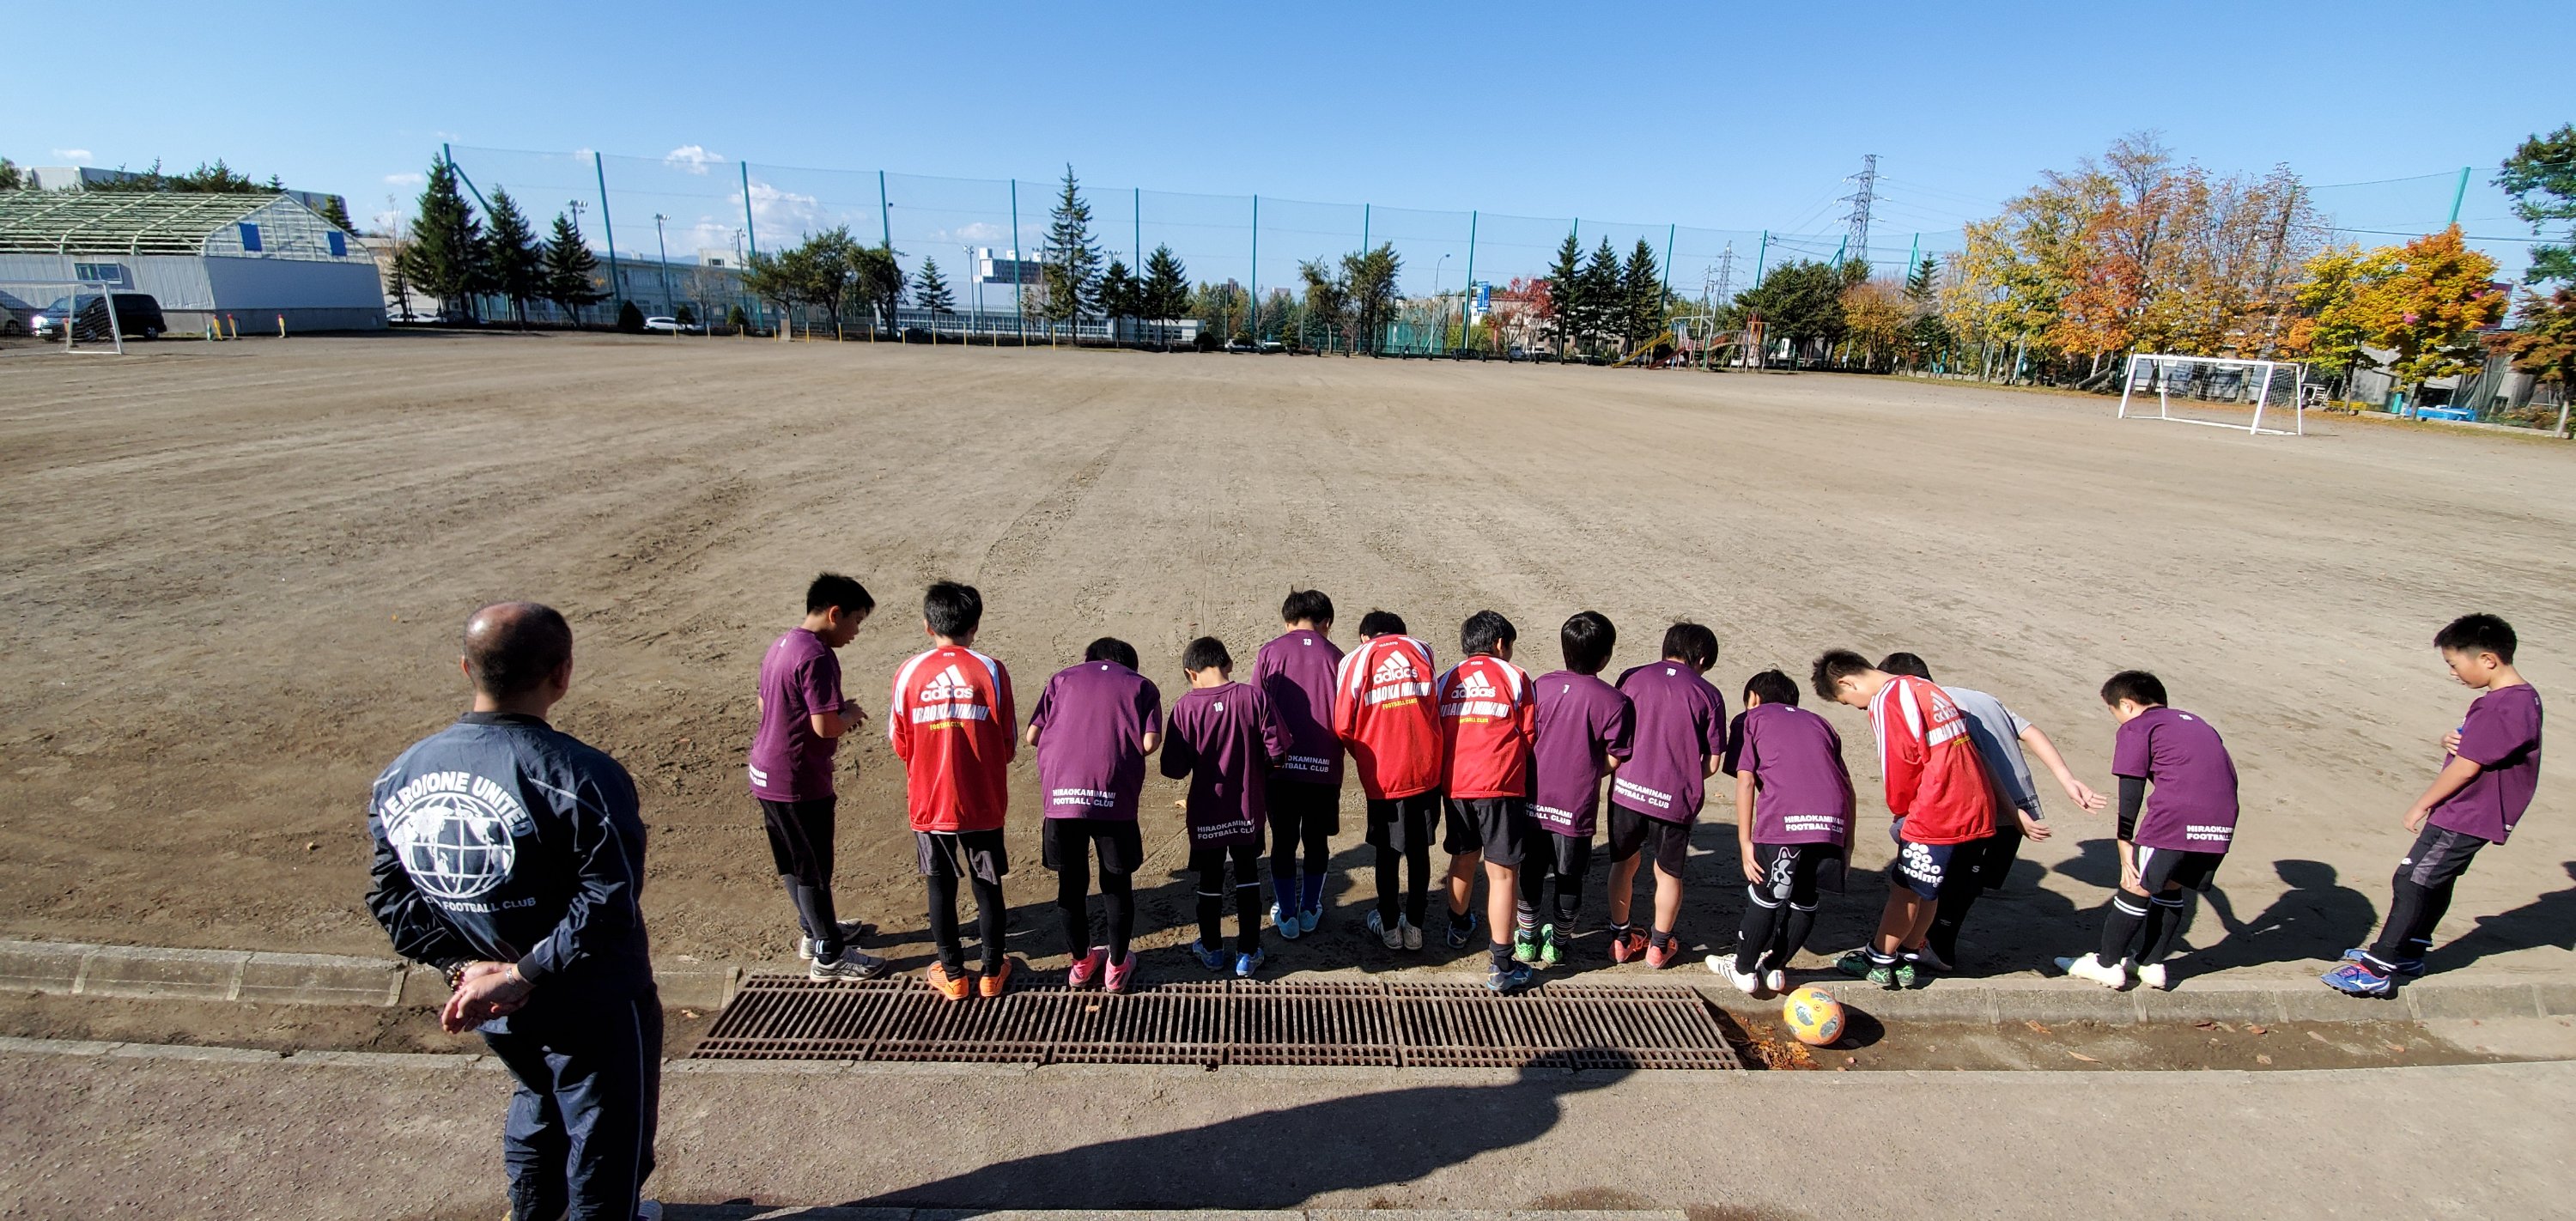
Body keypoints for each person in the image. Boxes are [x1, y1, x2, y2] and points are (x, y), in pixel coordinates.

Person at [366, 602, 660, 1221]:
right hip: (593, 1001)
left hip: (491, 1005)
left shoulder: (400, 775)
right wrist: (522, 975)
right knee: (607, 1143)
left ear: (466, 668)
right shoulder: (579, 776)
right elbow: (607, 903)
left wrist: (462, 970)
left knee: (538, 1103)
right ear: (562, 673)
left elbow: (390, 899)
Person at [2326, 614, 2543, 998]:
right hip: (2471, 811)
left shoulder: (2502, 706)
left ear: (2488, 659)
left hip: (2467, 811)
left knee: (2412, 879)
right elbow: (2481, 745)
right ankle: (2409, 951)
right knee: (2435, 878)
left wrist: (2421, 805)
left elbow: (2467, 767)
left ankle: (2378, 966)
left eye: (2454, 664)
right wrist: (2454, 739)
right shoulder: (2520, 699)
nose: (2453, 673)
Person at [1877, 652, 2105, 972]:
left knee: (1944, 881)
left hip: (1983, 809)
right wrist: (2068, 780)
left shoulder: (1932, 707)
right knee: (1966, 882)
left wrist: (2013, 813)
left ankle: (1929, 949)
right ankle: (1931, 945)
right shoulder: (1980, 697)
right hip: (2018, 805)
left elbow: (1978, 762)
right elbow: (2030, 731)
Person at [1813, 649, 1996, 990]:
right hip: (1969, 805)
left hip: (1934, 808)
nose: (1858, 708)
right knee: (1929, 889)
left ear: (1847, 683)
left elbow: (1900, 762)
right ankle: (1909, 956)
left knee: (1905, 889)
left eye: (1848, 702)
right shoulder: (1925, 688)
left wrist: (1902, 811)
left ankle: (1879, 959)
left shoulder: (1888, 700)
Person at [2056, 671, 2240, 991]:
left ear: (2126, 705)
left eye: (2113, 711)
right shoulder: (2198, 723)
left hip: (2176, 817)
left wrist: (2124, 840)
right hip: (2223, 819)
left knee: (2135, 884)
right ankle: (2149, 963)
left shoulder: (2138, 726)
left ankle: (2107, 965)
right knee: (2170, 886)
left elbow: (2132, 788)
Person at [748, 573, 889, 981]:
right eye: (856, 621)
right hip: (798, 780)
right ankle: (829, 953)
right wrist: (850, 714)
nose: (856, 632)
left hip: (765, 773)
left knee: (792, 861)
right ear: (834, 614)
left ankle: (814, 928)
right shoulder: (817, 656)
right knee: (814, 869)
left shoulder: (783, 644)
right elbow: (826, 727)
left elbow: (765, 704)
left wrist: (828, 712)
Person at [889, 581, 1018, 1001]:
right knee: (988, 884)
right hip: (981, 800)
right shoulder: (992, 670)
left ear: (928, 626)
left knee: (940, 885)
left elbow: (899, 742)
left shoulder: (908, 672)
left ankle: (953, 975)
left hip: (929, 802)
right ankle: (992, 972)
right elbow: (1008, 742)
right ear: (975, 625)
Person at [1025, 637, 1162, 993]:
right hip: (1112, 796)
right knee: (1116, 883)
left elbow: (1032, 735)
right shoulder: (1141, 686)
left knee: (1070, 883)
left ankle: (1081, 964)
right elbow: (1149, 743)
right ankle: (1116, 966)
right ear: (1129, 664)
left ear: (1089, 658)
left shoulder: (1062, 679)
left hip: (1062, 797)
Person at [1710, 668, 1855, 996]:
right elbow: (1848, 788)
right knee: (1805, 898)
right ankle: (1775, 967)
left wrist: (1745, 842)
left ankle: (1744, 970)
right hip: (1831, 823)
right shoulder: (1822, 723)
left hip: (1785, 821)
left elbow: (1747, 780)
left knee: (1766, 895)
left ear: (1753, 699)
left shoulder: (1751, 719)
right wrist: (1848, 844)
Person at [1163, 635, 1288, 977]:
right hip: (1247, 809)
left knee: (1210, 879)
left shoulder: (1185, 708)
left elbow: (1173, 768)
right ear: (1228, 664)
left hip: (1206, 811)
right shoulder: (1254, 698)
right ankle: (1248, 952)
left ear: (1191, 673)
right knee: (1248, 875)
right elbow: (1278, 752)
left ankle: (1212, 949)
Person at [1607, 623, 1728, 969]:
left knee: (1623, 864)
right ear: (1701, 659)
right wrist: (1682, 776)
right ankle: (1659, 947)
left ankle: (1620, 940)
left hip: (1627, 792)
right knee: (1668, 873)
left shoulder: (1631, 677)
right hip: (1674, 801)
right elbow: (1713, 763)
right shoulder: (1709, 694)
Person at [1436, 610, 1540, 991]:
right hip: (1499, 785)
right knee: (1503, 873)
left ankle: (1458, 925)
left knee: (1462, 857)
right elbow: (1529, 735)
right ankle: (1502, 964)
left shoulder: (1446, 679)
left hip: (1455, 784)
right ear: (1500, 644)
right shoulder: (1516, 676)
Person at [1524, 610, 1633, 969]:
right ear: (1606, 656)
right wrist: (1586, 771)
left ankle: (1525, 940)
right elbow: (1615, 757)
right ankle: (1557, 944)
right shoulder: (1615, 702)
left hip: (1532, 802)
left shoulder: (1540, 686)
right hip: (1576, 809)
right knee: (1569, 879)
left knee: (1530, 873)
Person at [1334, 610, 1443, 951]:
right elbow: (1433, 702)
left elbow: (1342, 724)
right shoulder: (1421, 649)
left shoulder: (1356, 659)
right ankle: (1416, 927)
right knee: (1419, 850)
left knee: (1387, 851)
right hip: (1425, 770)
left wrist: (1366, 756)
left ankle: (1390, 927)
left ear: (1365, 637)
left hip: (1384, 774)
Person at [1255, 589, 1344, 939]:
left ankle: (1287, 914)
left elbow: (1256, 710)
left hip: (1280, 769)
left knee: (1283, 840)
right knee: (1317, 840)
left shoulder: (1270, 652)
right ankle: (1309, 909)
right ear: (1327, 623)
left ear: (1287, 621)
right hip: (1324, 768)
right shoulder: (1337, 657)